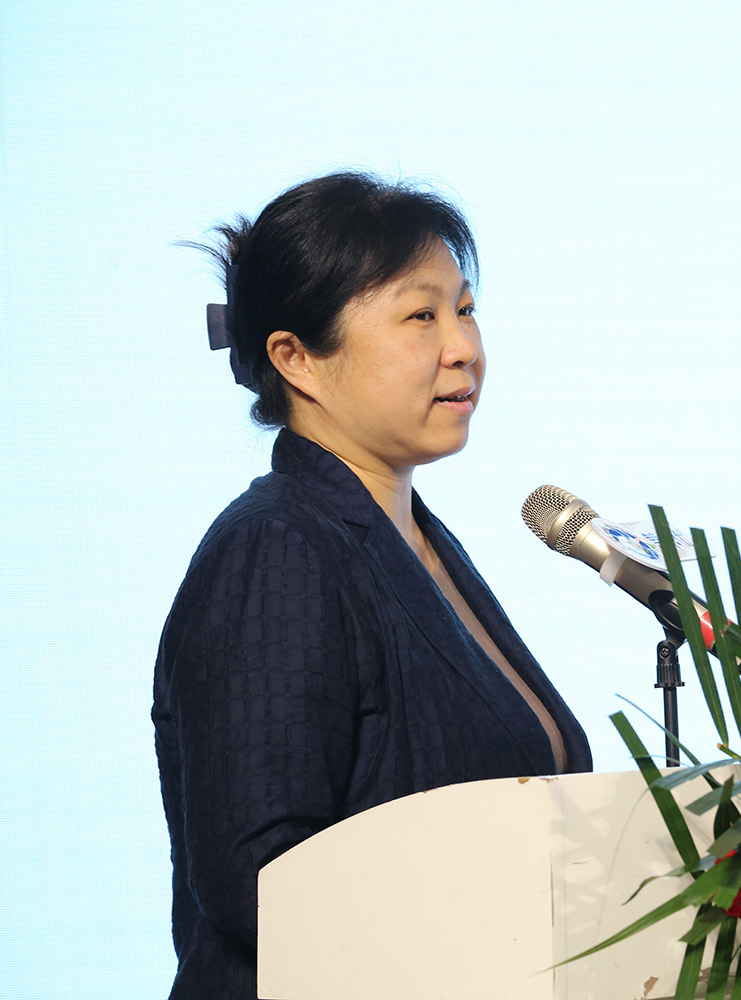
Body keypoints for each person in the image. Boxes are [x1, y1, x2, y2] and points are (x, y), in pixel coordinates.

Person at [151, 172, 591, 1000]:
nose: (463, 347)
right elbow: (265, 882)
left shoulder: (415, 540)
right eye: (421, 316)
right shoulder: (277, 549)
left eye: (465, 309)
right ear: (297, 358)